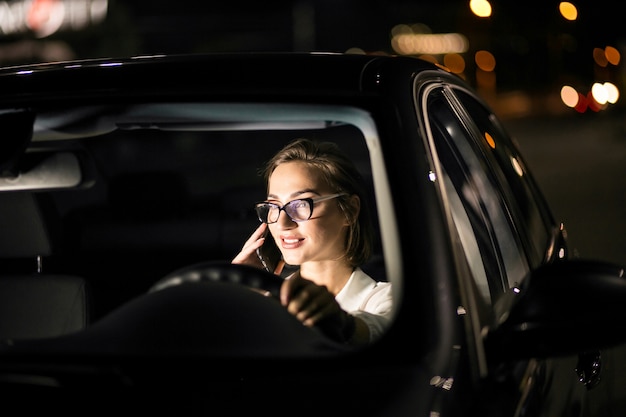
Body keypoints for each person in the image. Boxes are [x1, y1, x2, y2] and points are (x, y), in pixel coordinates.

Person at [232, 138, 392, 345]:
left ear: (349, 210)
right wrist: (238, 299)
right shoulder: (263, 299)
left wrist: (337, 321)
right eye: (273, 206)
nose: (282, 223)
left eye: (300, 205)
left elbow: (377, 330)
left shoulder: (385, 299)